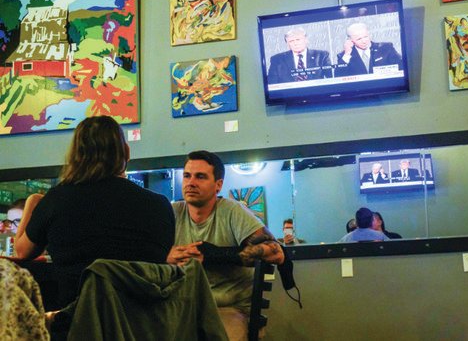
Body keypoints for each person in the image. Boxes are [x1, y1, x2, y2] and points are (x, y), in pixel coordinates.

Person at [13, 116, 176, 309]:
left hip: (76, 324)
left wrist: (32, 202)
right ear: (127, 152)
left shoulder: (56, 200)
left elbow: (21, 252)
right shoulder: (160, 205)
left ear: (76, 155)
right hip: (145, 325)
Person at [167, 150, 284, 341]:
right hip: (182, 307)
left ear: (218, 185)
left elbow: (276, 253)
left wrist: (212, 256)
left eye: (200, 177)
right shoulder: (172, 212)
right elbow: (143, 252)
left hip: (229, 308)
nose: (191, 182)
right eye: (187, 176)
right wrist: (166, 255)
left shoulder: (232, 211)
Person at [267, 27, 332, 84]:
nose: (295, 43)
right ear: (287, 44)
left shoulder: (321, 56)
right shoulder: (277, 59)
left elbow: (332, 77)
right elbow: (272, 84)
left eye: (298, 39)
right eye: (291, 41)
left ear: (306, 40)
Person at [335, 22, 403, 77]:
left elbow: (401, 68)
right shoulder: (344, 56)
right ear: (350, 40)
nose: (364, 41)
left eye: (365, 37)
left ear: (369, 35)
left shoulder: (386, 48)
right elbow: (338, 77)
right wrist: (347, 54)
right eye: (359, 39)